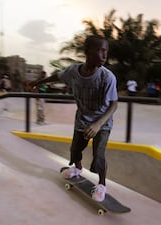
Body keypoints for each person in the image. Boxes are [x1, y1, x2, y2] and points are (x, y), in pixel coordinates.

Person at [30, 35, 118, 202]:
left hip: (102, 122)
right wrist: (38, 82)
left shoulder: (107, 77)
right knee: (75, 149)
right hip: (83, 119)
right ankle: (77, 169)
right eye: (99, 51)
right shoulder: (73, 72)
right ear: (87, 52)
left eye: (105, 51)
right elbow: (58, 76)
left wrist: (98, 124)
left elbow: (113, 105)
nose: (103, 55)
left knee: (99, 154)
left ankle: (101, 185)